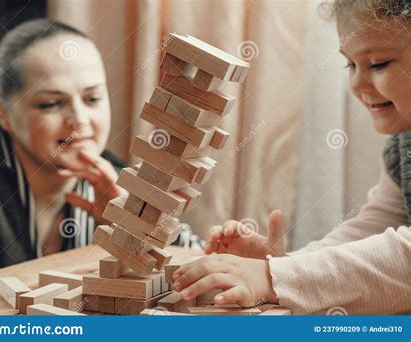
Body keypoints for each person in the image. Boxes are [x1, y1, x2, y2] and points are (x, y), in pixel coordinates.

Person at [172, 0, 411, 315]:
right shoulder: (402, 144)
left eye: (378, 63)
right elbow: (375, 225)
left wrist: (276, 278)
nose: (356, 84)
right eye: (350, 65)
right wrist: (286, 267)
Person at [0, 19, 203, 285]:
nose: (80, 120)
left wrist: (134, 228)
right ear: (3, 115)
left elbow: (198, 267)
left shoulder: (127, 188)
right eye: (51, 104)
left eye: (93, 99)